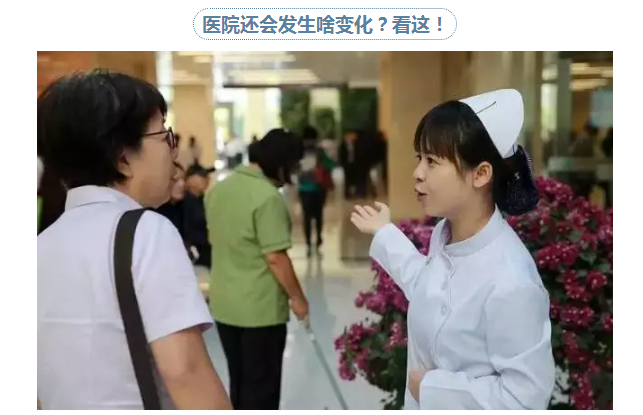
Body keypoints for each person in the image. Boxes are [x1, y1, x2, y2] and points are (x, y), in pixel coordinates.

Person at [37, 70, 231, 410]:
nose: (173, 153)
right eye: (164, 136)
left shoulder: (41, 246)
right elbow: (185, 371)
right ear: (123, 159)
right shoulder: (146, 233)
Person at [350, 89, 555, 410]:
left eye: (432, 161)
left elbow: (524, 398)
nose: (418, 173)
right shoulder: (447, 234)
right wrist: (385, 233)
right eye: (419, 158)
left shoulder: (512, 281)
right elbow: (429, 288)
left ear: (481, 174)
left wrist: (432, 388)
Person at [205, 128, 308, 410]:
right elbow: (276, 258)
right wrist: (298, 298)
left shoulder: (218, 189)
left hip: (225, 306)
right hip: (260, 311)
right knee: (261, 390)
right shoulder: (267, 197)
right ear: (281, 164)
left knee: (239, 383)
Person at [297, 126, 336, 257]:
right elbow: (330, 164)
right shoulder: (319, 151)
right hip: (318, 188)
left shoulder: (299, 151)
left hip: (303, 188)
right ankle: (318, 238)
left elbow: (294, 169)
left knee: (306, 216)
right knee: (318, 215)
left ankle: (308, 243)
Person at [183, 164, 215, 268]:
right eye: (202, 176)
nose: (207, 179)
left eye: (207, 176)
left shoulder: (205, 200)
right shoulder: (182, 202)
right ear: (190, 179)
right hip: (193, 254)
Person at [155, 161, 187, 238]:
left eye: (184, 179)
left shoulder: (185, 207)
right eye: (175, 180)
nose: (182, 184)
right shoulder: (155, 213)